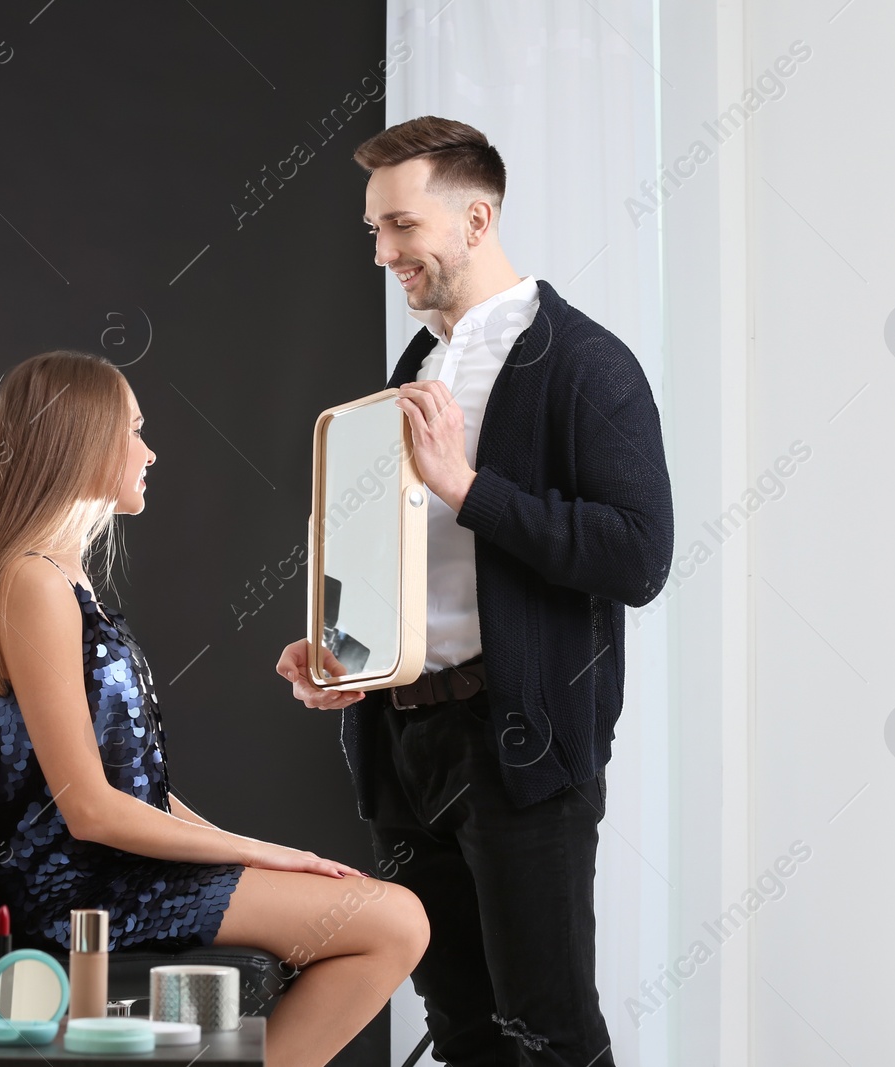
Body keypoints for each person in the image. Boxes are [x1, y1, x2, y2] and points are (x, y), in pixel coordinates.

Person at [0, 351, 429, 1067]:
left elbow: (137, 791)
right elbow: (90, 809)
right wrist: (265, 852)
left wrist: (279, 861)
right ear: (82, 441)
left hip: (121, 875)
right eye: (135, 430)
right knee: (396, 920)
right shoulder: (32, 582)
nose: (149, 451)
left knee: (386, 913)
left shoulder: (59, 576)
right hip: (83, 898)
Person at [277, 117, 675, 1066]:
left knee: (550, 1035)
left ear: (476, 217)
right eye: (374, 231)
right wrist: (340, 651)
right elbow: (412, 561)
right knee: (460, 1032)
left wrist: (469, 487)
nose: (383, 253)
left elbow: (639, 555)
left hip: (521, 751)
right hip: (403, 745)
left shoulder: (586, 364)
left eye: (402, 228)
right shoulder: (415, 368)